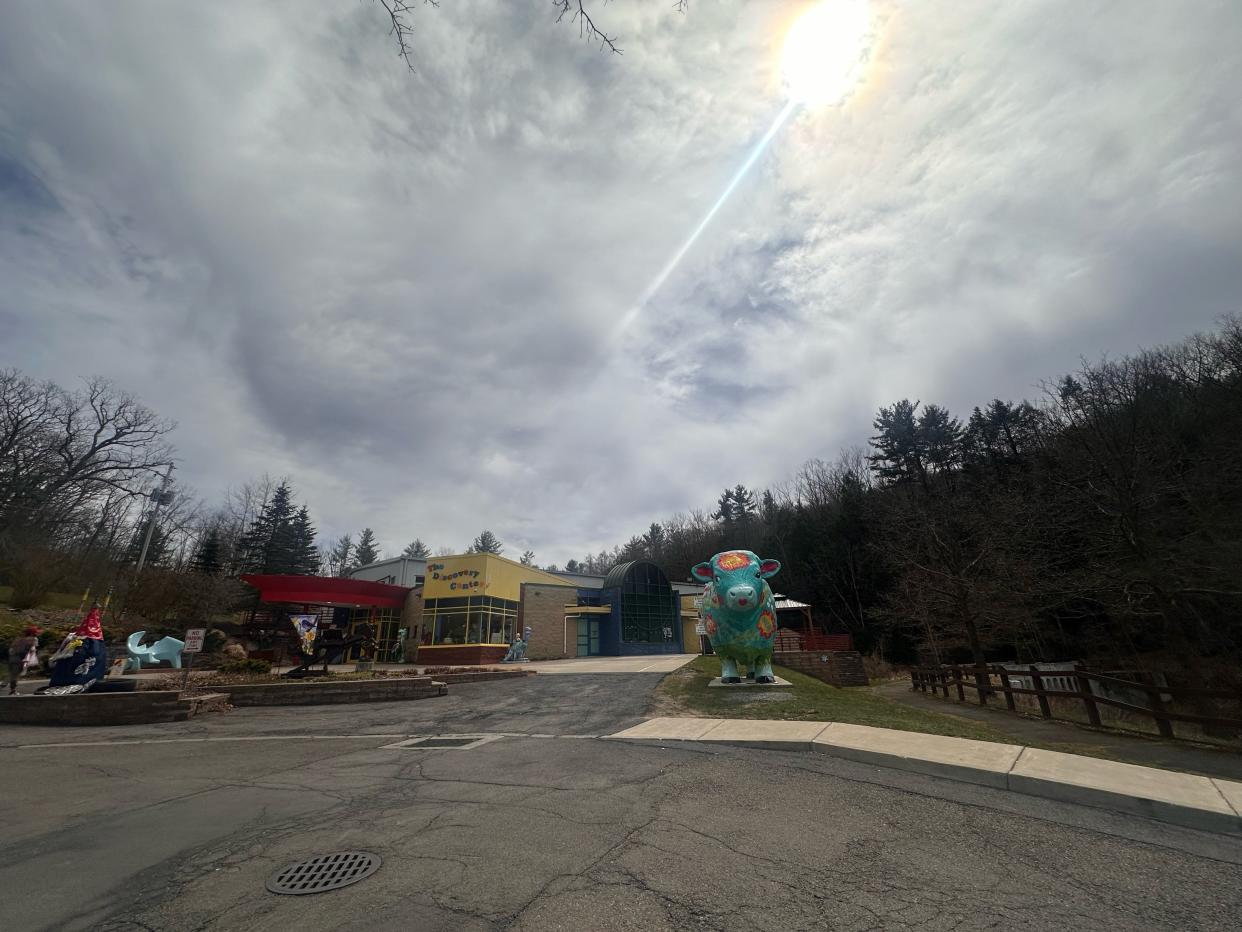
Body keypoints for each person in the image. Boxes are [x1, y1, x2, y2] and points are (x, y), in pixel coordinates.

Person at [6, 624, 41, 695]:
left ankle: (11, 689)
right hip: (19, 658)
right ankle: (10, 689)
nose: (37, 634)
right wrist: (24, 658)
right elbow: (28, 650)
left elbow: (11, 649)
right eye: (36, 632)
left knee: (13, 674)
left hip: (12, 657)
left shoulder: (18, 639)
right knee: (14, 675)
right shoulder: (32, 639)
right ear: (32, 633)